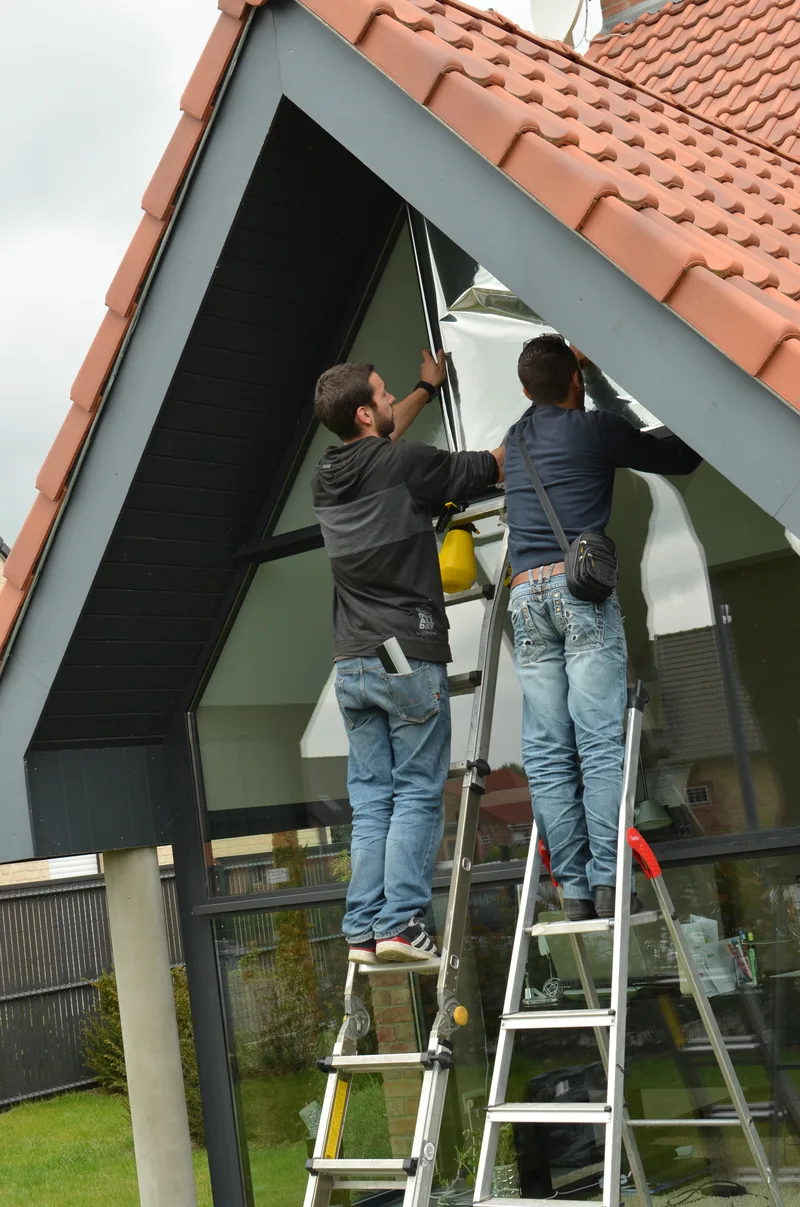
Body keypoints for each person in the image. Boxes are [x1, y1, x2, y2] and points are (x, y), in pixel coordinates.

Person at [312, 351, 505, 963]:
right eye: (386, 392)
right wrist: (539, 415)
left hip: (353, 663)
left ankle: (364, 929)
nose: (395, 399)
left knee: (372, 799)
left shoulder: (327, 475)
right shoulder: (406, 463)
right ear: (366, 413)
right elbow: (485, 466)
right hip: (403, 653)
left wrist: (425, 387)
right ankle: (401, 923)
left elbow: (384, 439)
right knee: (418, 790)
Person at [504, 334, 701, 921]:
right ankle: (610, 880)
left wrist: (565, 374)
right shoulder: (594, 431)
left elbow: (541, 395)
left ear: (523, 390)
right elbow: (680, 457)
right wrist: (597, 375)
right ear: (574, 381)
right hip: (578, 594)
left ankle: (573, 892)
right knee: (597, 742)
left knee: (546, 753)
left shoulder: (514, 442)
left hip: (523, 598)